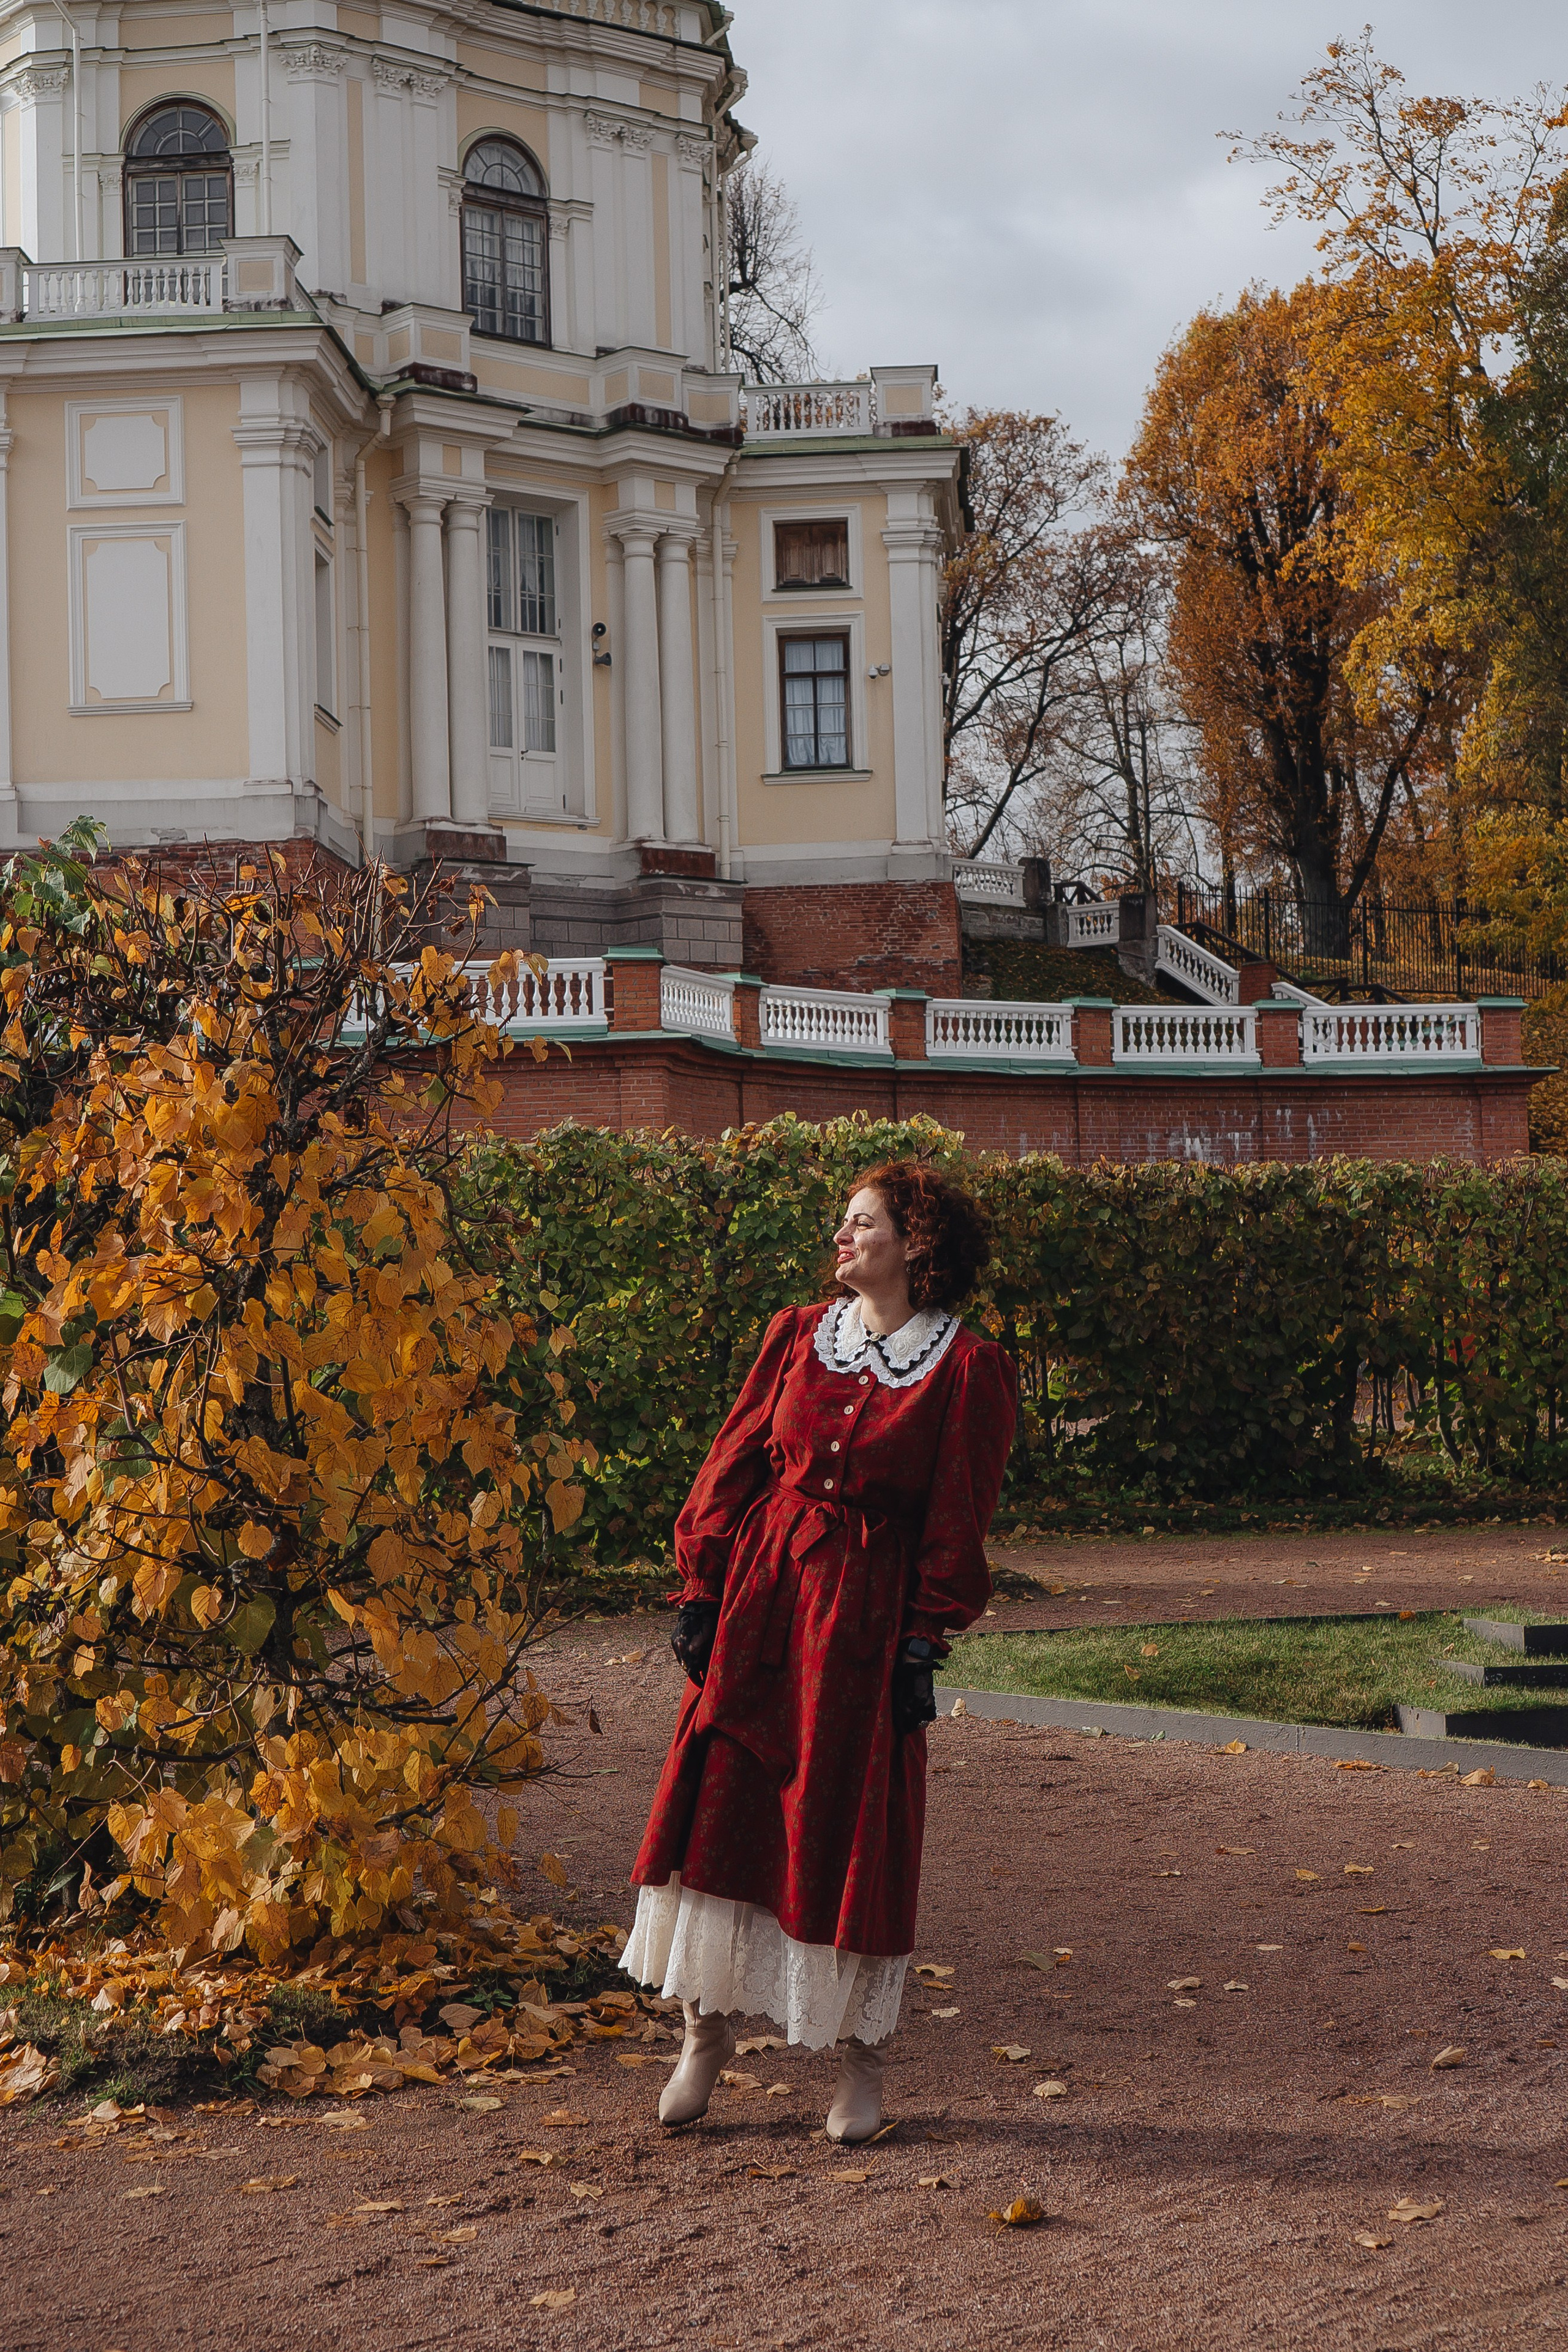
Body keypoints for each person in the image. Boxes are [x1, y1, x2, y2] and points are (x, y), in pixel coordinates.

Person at [620, 1160, 1019, 2142]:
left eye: (861, 1223)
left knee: (855, 1831)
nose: (841, 1239)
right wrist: (702, 1588)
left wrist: (923, 1638)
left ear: (915, 1244)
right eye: (843, 1224)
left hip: (865, 1622)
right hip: (764, 1600)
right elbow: (736, 1460)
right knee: (723, 1803)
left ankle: (862, 2068)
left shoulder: (966, 1368)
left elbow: (958, 1513)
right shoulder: (799, 1337)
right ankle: (702, 2035)